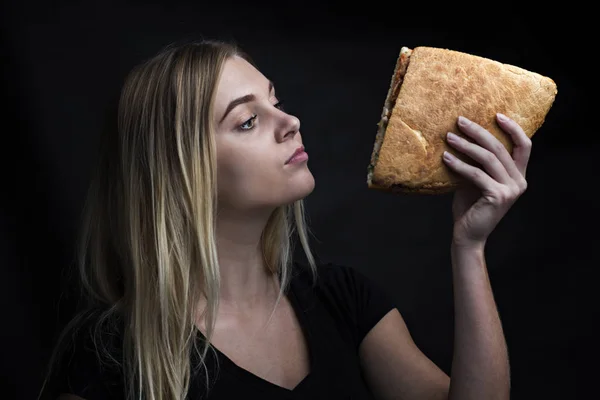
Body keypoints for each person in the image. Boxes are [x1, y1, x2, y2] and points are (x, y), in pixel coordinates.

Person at [38, 38, 531, 400]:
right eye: (247, 120)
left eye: (275, 101)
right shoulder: (107, 355)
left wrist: (469, 247)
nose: (290, 122)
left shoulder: (341, 299)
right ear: (180, 171)